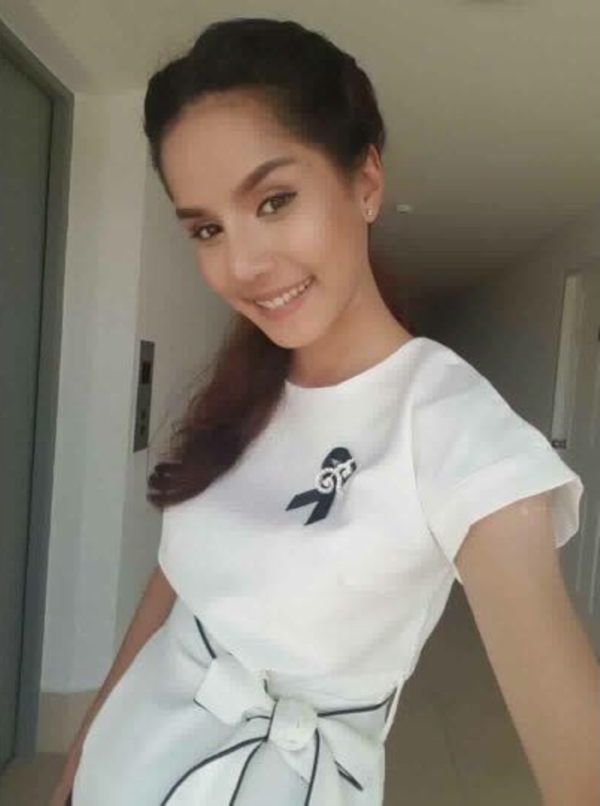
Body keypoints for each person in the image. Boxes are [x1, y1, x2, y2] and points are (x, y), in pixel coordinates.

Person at [52, 17, 600, 806]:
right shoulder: (245, 388)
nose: (242, 265)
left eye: (274, 201)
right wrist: (86, 745)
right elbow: (179, 577)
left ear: (365, 183)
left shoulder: (452, 429)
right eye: (206, 228)